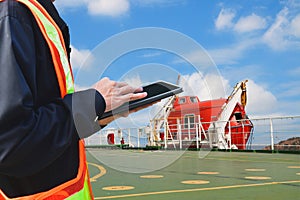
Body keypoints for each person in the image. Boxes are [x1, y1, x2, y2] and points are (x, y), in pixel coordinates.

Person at [0, 0, 147, 199]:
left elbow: (46, 126)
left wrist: (102, 113)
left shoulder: (32, 15)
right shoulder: (14, 13)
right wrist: (92, 101)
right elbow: (13, 142)